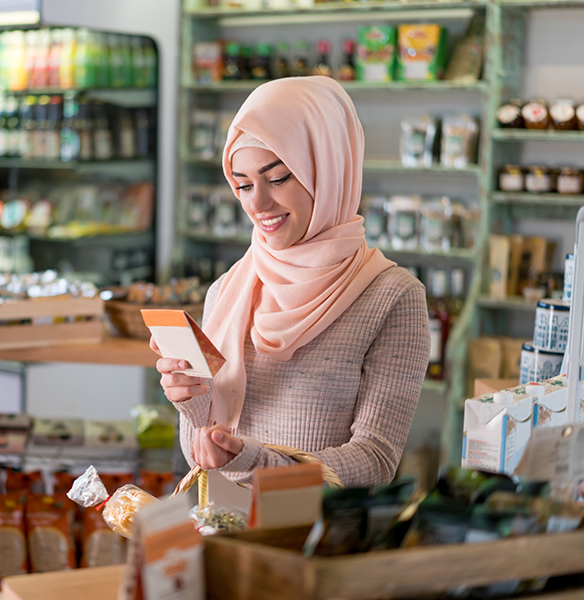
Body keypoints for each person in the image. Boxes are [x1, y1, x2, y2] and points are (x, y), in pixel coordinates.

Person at [152, 77, 430, 488]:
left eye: (278, 178)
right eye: (243, 185)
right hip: (225, 530)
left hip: (319, 541)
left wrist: (259, 463)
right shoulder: (227, 290)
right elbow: (200, 452)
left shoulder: (392, 297)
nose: (257, 204)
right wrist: (191, 401)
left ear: (329, 169)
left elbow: (375, 461)